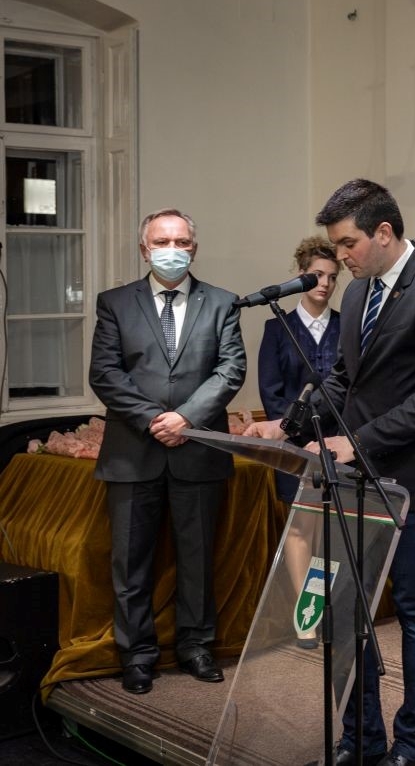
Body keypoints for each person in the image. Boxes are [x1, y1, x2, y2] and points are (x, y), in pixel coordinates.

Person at [245, 179, 415, 766]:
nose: (340, 256)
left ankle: (413, 748)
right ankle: (361, 739)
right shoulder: (361, 293)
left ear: (384, 232)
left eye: (348, 243)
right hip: (356, 482)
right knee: (342, 608)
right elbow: (344, 379)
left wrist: (355, 442)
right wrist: (287, 427)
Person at [89, 208, 247, 695]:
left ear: (194, 249)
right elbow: (105, 373)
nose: (172, 250)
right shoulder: (115, 303)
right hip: (133, 451)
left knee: (197, 560)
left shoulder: (222, 302)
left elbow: (231, 369)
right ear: (145, 249)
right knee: (130, 563)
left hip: (198, 449)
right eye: (162, 242)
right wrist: (155, 420)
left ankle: (196, 647)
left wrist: (187, 419)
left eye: (181, 242)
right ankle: (136, 654)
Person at [257, 236, 342, 649]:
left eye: (332, 277)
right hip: (292, 444)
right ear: (300, 275)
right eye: (316, 275)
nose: (324, 284)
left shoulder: (347, 326)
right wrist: (294, 431)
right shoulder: (277, 329)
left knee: (330, 529)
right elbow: (270, 392)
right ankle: (306, 614)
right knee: (300, 527)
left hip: (338, 442)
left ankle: (325, 606)